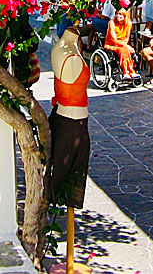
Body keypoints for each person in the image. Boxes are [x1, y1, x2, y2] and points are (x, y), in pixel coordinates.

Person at [49, 27, 90, 209]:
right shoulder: (69, 54)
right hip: (72, 123)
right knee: (71, 177)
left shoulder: (60, 48)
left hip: (67, 119)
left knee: (64, 174)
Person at [103, 7, 139, 80]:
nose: (118, 16)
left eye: (120, 14)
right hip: (111, 44)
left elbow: (126, 38)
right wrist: (124, 46)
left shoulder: (128, 23)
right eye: (117, 14)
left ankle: (129, 72)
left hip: (123, 44)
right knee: (124, 50)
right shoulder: (112, 23)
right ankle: (128, 71)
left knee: (126, 50)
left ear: (125, 16)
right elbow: (114, 39)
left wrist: (124, 45)